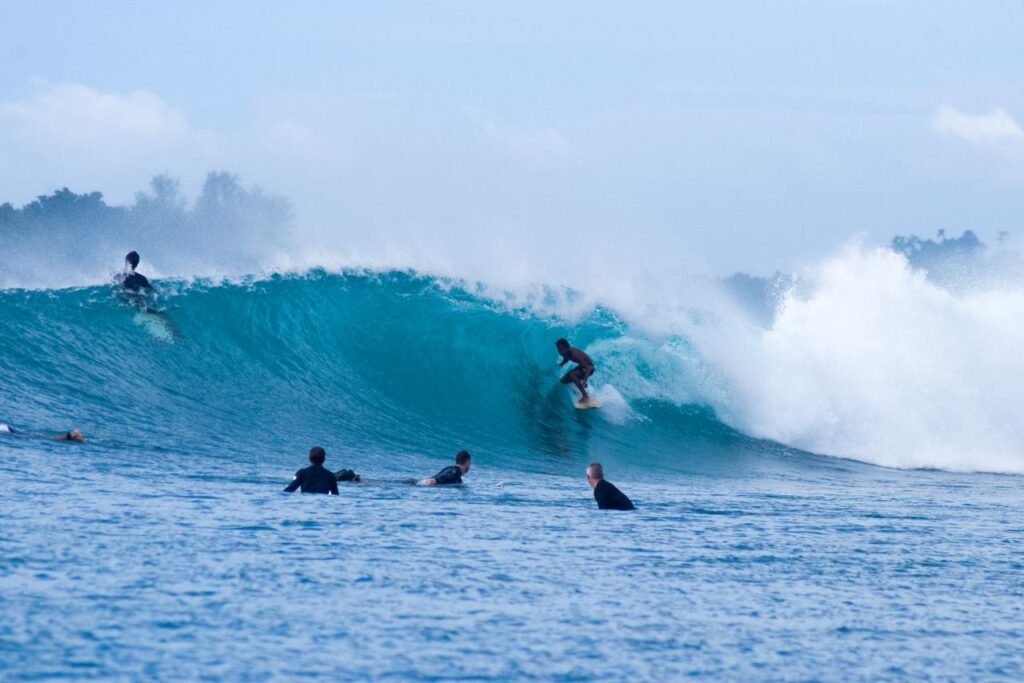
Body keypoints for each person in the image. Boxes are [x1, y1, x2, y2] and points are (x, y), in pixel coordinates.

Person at [556, 338, 595, 404]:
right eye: (559, 350)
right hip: (582, 367)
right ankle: (580, 385)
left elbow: (588, 367)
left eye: (562, 350)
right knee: (563, 381)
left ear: (567, 347)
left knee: (572, 374)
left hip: (589, 368)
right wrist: (561, 364)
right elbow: (566, 359)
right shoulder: (566, 353)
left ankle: (585, 396)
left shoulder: (575, 355)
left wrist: (585, 381)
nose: (561, 352)